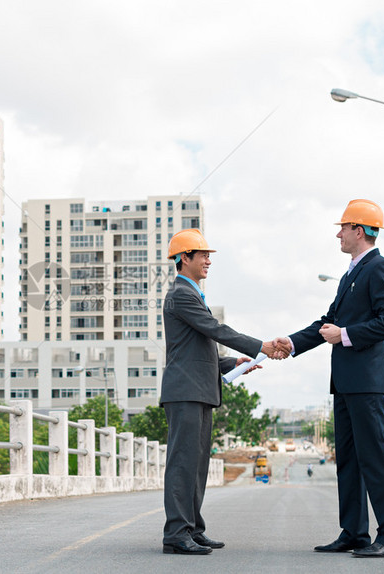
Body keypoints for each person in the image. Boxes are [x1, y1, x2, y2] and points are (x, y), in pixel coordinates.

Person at [273, 199, 384, 558]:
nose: (338, 233)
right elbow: (326, 323)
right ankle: (355, 533)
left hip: (365, 381)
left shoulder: (379, 268)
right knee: (348, 458)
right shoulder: (351, 274)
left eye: (343, 227)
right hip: (346, 382)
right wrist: (294, 342)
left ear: (358, 230)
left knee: (374, 457)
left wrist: (345, 334)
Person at [161, 228, 285, 555]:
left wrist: (232, 363)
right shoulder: (181, 294)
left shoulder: (192, 295)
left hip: (199, 389)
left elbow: (198, 347)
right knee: (183, 463)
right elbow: (215, 329)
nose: (208, 262)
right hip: (185, 391)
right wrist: (261, 346)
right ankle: (176, 533)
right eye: (203, 255)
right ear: (183, 258)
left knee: (197, 463)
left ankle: (192, 528)